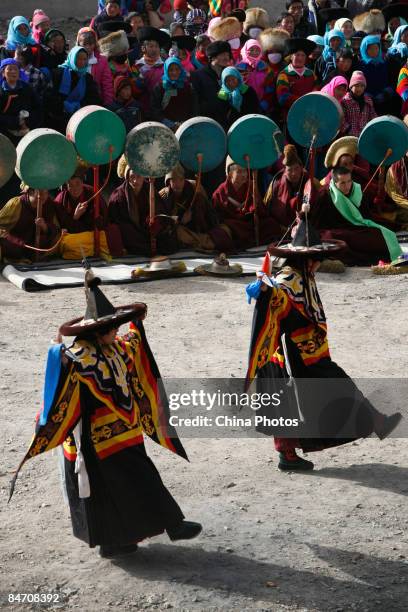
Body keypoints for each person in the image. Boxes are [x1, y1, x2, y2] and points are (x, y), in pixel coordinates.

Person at [9, 270, 202, 557]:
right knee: (109, 489)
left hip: (127, 432)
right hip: (94, 439)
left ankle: (126, 539)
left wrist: (136, 321)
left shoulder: (117, 348)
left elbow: (135, 343)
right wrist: (57, 355)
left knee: (137, 478)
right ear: (97, 333)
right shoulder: (79, 360)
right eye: (112, 328)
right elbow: (61, 392)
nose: (117, 331)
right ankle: (156, 529)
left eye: (117, 327)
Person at [245, 215, 402, 470]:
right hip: (288, 347)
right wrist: (265, 290)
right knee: (298, 390)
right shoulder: (289, 277)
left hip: (309, 346)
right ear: (308, 260)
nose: (318, 265)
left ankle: (375, 421)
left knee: (331, 387)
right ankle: (289, 454)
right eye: (317, 260)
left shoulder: (304, 275)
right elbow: (279, 295)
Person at [313, 166, 402, 264]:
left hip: (357, 228)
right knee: (331, 239)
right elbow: (318, 224)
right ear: (334, 182)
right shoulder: (325, 195)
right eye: (342, 183)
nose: (347, 186)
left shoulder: (357, 192)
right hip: (336, 232)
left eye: (349, 181)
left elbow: (366, 217)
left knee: (382, 236)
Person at [108, 155, 178, 256]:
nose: (136, 181)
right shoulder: (118, 195)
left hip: (149, 230)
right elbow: (115, 221)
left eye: (139, 176)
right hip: (133, 233)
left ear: (144, 176)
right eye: (132, 177)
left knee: (168, 233)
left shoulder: (149, 188)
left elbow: (161, 211)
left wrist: (155, 221)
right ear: (127, 177)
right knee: (126, 231)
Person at [212, 156, 281, 250]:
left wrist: (257, 203)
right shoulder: (221, 191)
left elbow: (262, 212)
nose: (244, 175)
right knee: (222, 233)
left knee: (271, 224)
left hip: (249, 222)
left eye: (245, 171)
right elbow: (217, 216)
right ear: (230, 174)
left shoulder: (251, 185)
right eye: (239, 172)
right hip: (233, 225)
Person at [159, 163, 232, 251]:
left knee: (225, 229)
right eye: (174, 181)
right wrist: (180, 220)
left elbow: (209, 212)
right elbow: (161, 221)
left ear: (184, 180)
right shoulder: (164, 195)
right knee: (177, 233)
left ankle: (199, 242)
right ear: (168, 182)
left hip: (200, 229)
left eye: (181, 180)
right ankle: (205, 243)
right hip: (182, 230)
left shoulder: (195, 187)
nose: (178, 184)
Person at [43, 46, 102, 133]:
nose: (82, 62)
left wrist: (80, 105)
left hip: (80, 119)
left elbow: (94, 99)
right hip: (57, 120)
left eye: (85, 59)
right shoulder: (57, 73)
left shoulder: (87, 78)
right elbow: (48, 97)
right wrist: (63, 105)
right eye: (79, 59)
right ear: (72, 58)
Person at [264, 144, 321, 231]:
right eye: (290, 170)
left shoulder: (310, 181)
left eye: (296, 168)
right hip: (283, 228)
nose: (294, 173)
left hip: (306, 226)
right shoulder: (277, 183)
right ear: (284, 171)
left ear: (302, 168)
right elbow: (269, 208)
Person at [0, 184, 59, 262]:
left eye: (46, 193)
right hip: (15, 247)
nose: (44, 196)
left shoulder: (49, 204)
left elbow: (56, 229)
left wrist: (44, 226)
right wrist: (15, 241)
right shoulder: (16, 204)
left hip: (36, 249)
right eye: (41, 192)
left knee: (61, 241)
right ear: (30, 192)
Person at [190, 40, 233, 127]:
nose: (226, 58)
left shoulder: (230, 73)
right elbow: (195, 102)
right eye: (222, 55)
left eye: (227, 54)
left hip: (227, 121)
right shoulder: (198, 75)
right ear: (212, 57)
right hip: (207, 122)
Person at [0, 58, 42, 145]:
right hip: (5, 134)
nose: (13, 71)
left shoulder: (27, 88)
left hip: (27, 130)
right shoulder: (1, 91)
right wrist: (15, 121)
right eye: (9, 69)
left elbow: (38, 107)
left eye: (15, 69)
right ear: (3, 73)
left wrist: (28, 121)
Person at [150, 56, 198, 129]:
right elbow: (155, 109)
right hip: (166, 129)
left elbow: (195, 107)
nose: (174, 72)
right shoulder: (160, 87)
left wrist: (187, 123)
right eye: (170, 70)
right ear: (166, 70)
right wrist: (170, 124)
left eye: (177, 69)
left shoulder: (188, 87)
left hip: (186, 127)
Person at [276, 38, 319, 117]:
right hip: (291, 115)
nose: (300, 58)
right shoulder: (283, 75)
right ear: (291, 57)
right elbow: (283, 97)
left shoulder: (311, 74)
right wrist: (304, 101)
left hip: (309, 115)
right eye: (297, 55)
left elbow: (316, 90)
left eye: (303, 55)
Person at [76, 27, 114, 105]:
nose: (88, 47)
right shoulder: (73, 60)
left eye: (90, 44)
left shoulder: (102, 61)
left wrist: (108, 102)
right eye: (84, 44)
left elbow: (107, 83)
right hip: (78, 102)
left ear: (95, 44)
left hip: (96, 100)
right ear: (79, 44)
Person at [216, 66, 260, 130]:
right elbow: (221, 116)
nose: (231, 83)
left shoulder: (248, 90)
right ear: (223, 82)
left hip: (249, 125)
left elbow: (254, 109)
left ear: (238, 78)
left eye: (233, 79)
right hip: (230, 128)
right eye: (227, 80)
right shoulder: (221, 95)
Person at [341, 70, 377, 137]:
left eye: (362, 86)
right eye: (356, 85)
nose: (359, 88)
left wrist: (373, 127)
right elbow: (341, 118)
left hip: (364, 134)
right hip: (349, 135)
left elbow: (372, 115)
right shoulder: (345, 101)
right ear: (351, 87)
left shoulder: (368, 100)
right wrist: (348, 130)